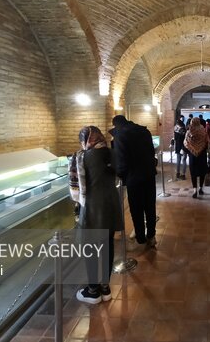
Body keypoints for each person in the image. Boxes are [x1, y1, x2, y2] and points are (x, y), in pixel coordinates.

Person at [75, 126, 122, 305]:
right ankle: (105, 288)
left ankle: (93, 291)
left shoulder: (82, 157)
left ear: (87, 139)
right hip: (110, 205)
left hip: (93, 207)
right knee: (108, 245)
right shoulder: (112, 153)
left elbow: (76, 189)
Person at [110, 115, 157, 249]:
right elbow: (151, 151)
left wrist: (121, 175)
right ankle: (151, 236)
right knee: (150, 206)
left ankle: (141, 238)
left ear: (116, 124)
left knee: (136, 209)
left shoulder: (121, 135)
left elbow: (122, 159)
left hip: (133, 177)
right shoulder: (144, 131)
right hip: (149, 174)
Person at [184, 117, 209, 198]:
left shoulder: (189, 131)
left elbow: (186, 143)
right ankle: (200, 188)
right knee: (202, 172)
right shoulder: (203, 131)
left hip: (192, 155)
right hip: (202, 155)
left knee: (193, 172)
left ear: (192, 122)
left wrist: (190, 150)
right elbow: (207, 142)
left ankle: (195, 190)